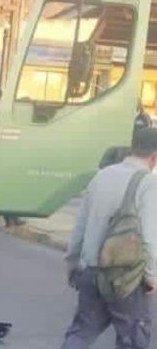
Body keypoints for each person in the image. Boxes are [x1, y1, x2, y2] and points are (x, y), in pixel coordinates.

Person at [62, 127, 157, 349]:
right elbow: (150, 238)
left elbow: (81, 225)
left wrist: (72, 262)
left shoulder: (101, 176)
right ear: (154, 156)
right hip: (126, 279)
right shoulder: (149, 184)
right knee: (133, 339)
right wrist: (152, 276)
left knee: (81, 332)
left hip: (91, 271)